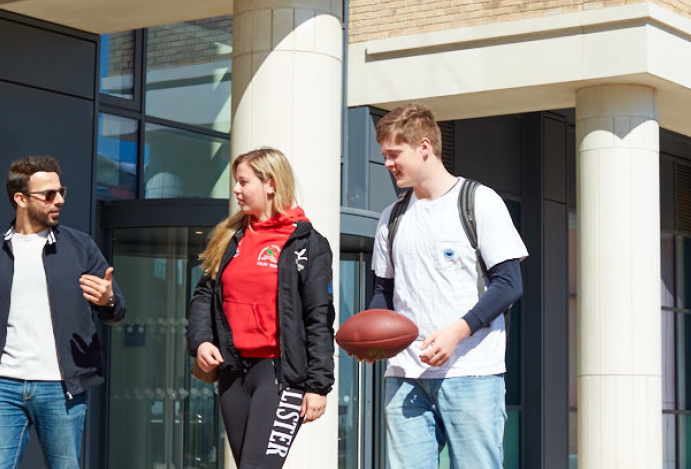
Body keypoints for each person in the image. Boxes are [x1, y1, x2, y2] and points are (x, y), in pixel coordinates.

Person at [363, 103, 529, 468]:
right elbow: (382, 292)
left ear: (424, 147)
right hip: (405, 376)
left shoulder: (479, 202)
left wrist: (457, 332)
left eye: (394, 154)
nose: (388, 164)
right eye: (385, 156)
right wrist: (373, 339)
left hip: (471, 373)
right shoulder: (390, 218)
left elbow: (509, 284)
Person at [0, 156, 125, 469]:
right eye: (48, 195)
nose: (58, 200)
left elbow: (116, 312)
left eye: (61, 192)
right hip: (1, 386)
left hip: (61, 388)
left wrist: (108, 300)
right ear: (20, 199)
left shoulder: (80, 247)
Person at [186, 148, 336, 468]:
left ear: (270, 184)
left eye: (243, 182)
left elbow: (319, 317)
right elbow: (204, 295)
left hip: (281, 374)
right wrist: (202, 341)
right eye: (235, 183)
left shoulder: (307, 243)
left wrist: (319, 386)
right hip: (233, 372)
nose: (236, 190)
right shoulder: (230, 238)